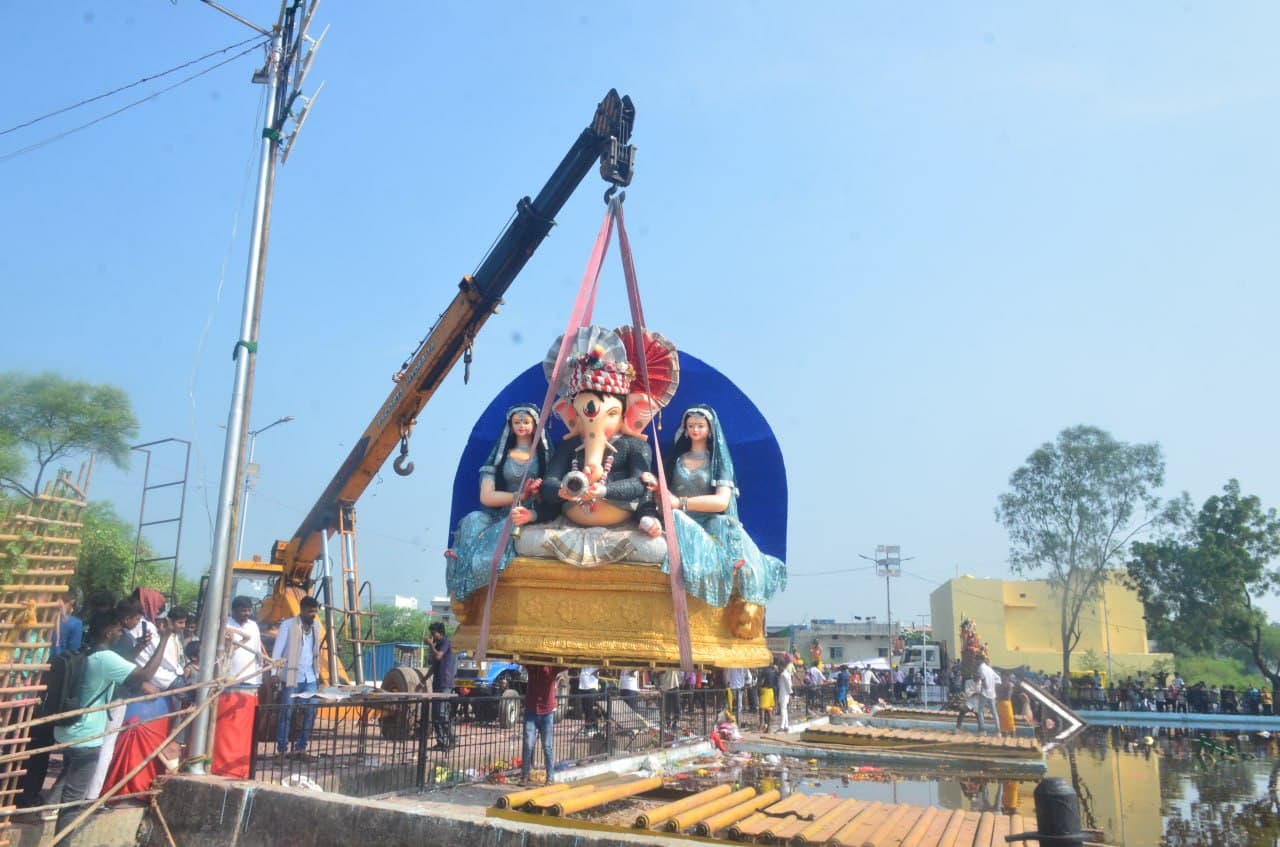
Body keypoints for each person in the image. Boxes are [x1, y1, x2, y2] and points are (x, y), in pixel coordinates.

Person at [653, 405, 786, 609]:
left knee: (722, 523)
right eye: (690, 426)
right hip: (677, 520)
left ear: (710, 429)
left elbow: (721, 502)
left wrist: (681, 503)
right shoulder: (676, 461)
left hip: (708, 522)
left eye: (700, 426)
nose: (695, 430)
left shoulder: (718, 463)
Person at [55, 610, 172, 832]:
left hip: (69, 730)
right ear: (108, 632)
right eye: (119, 629)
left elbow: (124, 668)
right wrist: (164, 639)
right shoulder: (105, 658)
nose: (121, 633)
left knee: (67, 782)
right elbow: (145, 676)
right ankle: (63, 841)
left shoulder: (88, 651)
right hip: (86, 735)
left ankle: (46, 810)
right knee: (72, 801)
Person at [446, 404, 550, 601]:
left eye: (526, 422)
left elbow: (551, 495)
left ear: (535, 425)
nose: (521, 426)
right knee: (473, 520)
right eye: (517, 422)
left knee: (509, 525)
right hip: (500, 511)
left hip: (529, 513)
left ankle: (480, 574)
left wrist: (535, 493)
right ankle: (462, 572)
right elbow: (486, 497)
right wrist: (520, 495)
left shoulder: (544, 457)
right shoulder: (500, 458)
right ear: (510, 426)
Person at [271, 596, 323, 759]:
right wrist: (274, 673)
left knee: (311, 712)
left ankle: (301, 748)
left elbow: (315, 651)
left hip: (310, 677)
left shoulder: (316, 626)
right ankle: (282, 750)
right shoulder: (288, 625)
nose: (313, 615)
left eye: (315, 612)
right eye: (310, 612)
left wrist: (317, 674)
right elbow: (277, 650)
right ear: (302, 610)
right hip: (293, 676)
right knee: (286, 713)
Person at [521, 665, 566, 785]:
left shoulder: (552, 667)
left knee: (547, 746)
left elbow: (566, 665)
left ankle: (550, 777)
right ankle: (524, 775)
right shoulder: (532, 666)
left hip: (547, 712)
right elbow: (521, 660)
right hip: (531, 710)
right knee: (528, 744)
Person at [424, 622, 456, 751]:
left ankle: (452, 739)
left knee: (442, 713)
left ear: (440, 633)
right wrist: (423, 680)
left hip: (445, 682)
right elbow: (434, 665)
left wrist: (431, 645)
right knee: (436, 714)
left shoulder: (446, 642)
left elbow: (438, 656)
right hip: (437, 682)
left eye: (434, 633)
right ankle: (441, 742)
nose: (432, 636)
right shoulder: (437, 644)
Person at [576, 666, 601, 735]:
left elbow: (603, 666)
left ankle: (592, 727)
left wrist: (596, 671)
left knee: (589, 708)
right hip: (583, 687)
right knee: (585, 709)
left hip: (591, 687)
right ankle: (591, 727)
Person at [978, 661, 1001, 732]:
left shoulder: (980, 668)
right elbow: (998, 679)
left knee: (980, 711)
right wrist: (993, 687)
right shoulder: (990, 669)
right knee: (994, 712)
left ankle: (982, 730)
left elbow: (983, 679)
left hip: (985, 693)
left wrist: (986, 687)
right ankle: (998, 730)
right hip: (992, 694)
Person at [758, 664, 777, 733]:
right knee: (769, 710)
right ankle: (769, 727)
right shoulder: (773, 672)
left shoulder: (764, 672)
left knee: (762, 709)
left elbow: (762, 681)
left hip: (765, 691)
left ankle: (761, 725)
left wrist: (759, 686)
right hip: (771, 691)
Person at [777, 658, 794, 732]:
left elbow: (788, 685)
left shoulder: (784, 674)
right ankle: (786, 726)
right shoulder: (786, 673)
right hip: (784, 693)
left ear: (781, 666)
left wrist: (790, 693)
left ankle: (782, 726)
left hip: (784, 693)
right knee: (785, 709)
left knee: (783, 709)